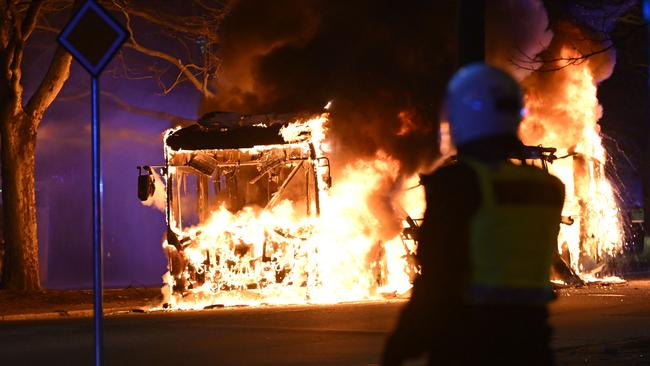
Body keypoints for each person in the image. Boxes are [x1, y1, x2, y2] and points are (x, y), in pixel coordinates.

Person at [381, 63, 565, 366]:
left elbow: (438, 279)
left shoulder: (458, 186)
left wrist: (401, 345)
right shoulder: (548, 188)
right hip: (531, 343)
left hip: (468, 343)